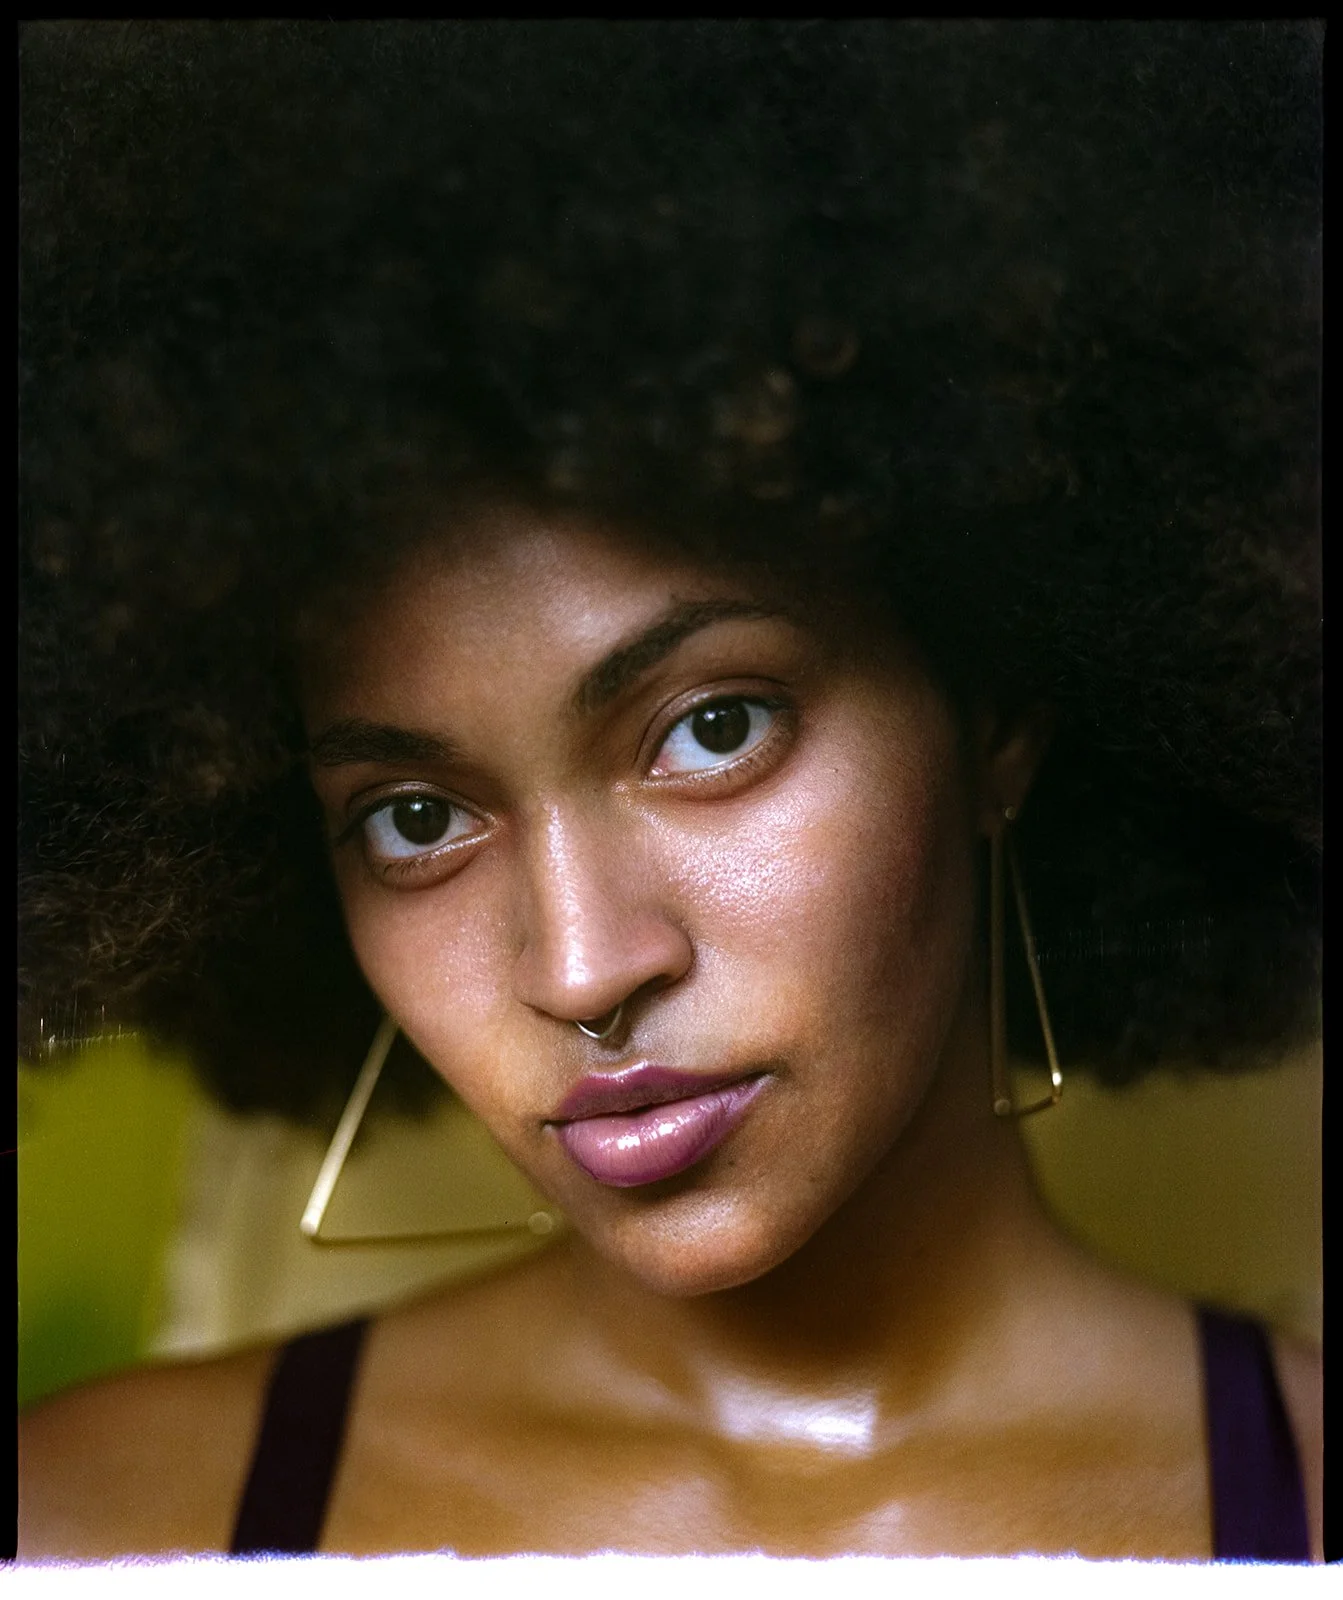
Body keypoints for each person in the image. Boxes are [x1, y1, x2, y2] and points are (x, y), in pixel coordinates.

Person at [17, 20, 1321, 1561]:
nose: (583, 970)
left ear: (996, 710)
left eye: (711, 730)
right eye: (415, 819)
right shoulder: (82, 1527)